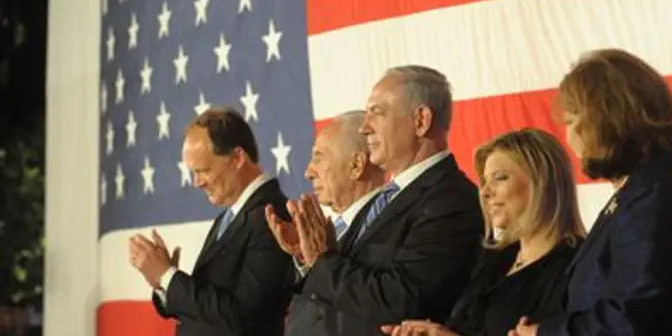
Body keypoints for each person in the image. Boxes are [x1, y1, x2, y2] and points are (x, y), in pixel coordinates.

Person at [510, 48, 672, 336]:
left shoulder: (655, 201)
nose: (569, 136)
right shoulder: (642, 193)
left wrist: (544, 334)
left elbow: (631, 321)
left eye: (573, 121)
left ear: (607, 119)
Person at [285, 65, 485, 336]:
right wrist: (310, 256)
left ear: (421, 120)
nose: (365, 128)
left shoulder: (450, 200)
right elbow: (336, 293)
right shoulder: (385, 199)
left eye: (377, 113)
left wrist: (321, 261)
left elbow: (401, 299)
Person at [381, 128, 586, 336]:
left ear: (541, 182)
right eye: (484, 182)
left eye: (499, 178)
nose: (485, 192)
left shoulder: (578, 266)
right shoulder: (495, 258)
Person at [127, 107, 295, 336]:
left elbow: (241, 317)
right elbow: (205, 309)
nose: (197, 183)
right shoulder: (229, 216)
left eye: (203, 171)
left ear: (237, 158)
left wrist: (168, 275)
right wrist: (163, 282)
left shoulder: (272, 215)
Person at [264, 110, 386, 335]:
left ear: (356, 165)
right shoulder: (331, 228)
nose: (308, 172)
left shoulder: (387, 224)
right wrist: (304, 256)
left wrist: (319, 258)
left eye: (319, 158)